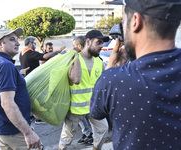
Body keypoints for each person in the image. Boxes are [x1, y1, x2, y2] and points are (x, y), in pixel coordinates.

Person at [90, 0, 181, 149]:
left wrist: (112, 68)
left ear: (136, 21)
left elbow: (95, 111)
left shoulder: (112, 80)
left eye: (123, 21)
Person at [0, 28, 42, 150]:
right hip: (14, 131)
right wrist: (28, 133)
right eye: (12, 40)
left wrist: (17, 75)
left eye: (17, 40)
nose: (17, 43)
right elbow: (7, 103)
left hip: (1, 127)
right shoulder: (5, 65)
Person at [59, 30, 109, 150]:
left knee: (103, 128)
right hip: (75, 109)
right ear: (88, 41)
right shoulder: (73, 59)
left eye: (102, 43)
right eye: (99, 42)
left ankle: (96, 148)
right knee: (67, 137)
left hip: (93, 106)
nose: (102, 46)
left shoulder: (99, 62)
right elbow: (73, 80)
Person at [73, 36, 93, 146]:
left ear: (79, 46)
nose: (73, 49)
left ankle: (89, 135)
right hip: (88, 99)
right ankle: (88, 135)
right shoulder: (92, 58)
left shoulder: (78, 59)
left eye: (74, 46)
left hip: (82, 99)